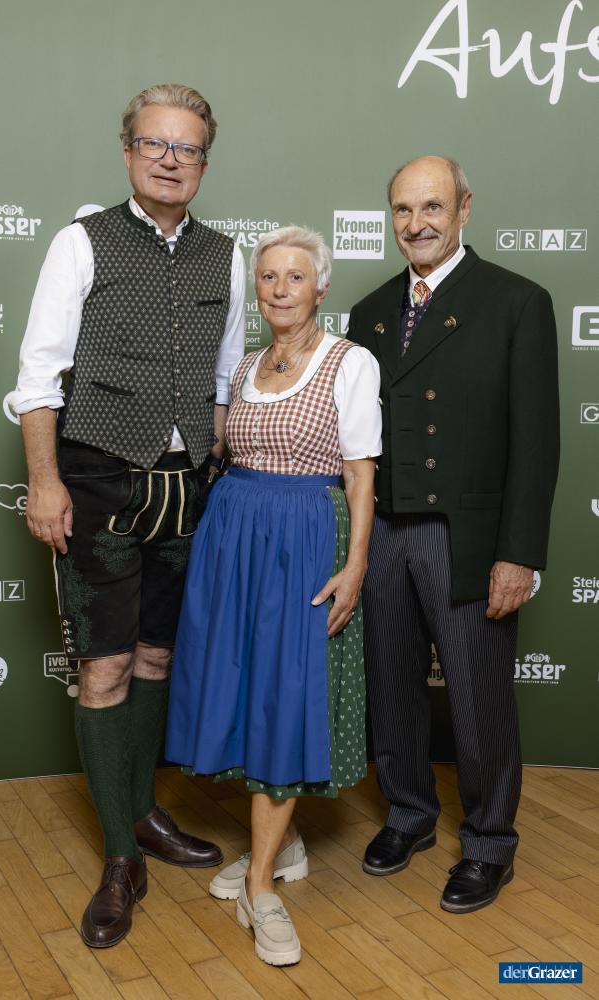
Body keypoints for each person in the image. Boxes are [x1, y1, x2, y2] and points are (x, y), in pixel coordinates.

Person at [7, 83, 246, 948]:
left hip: (186, 485)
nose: (171, 161)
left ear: (203, 163)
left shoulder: (228, 255)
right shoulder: (81, 242)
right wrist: (45, 482)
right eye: (156, 144)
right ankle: (118, 859)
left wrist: (220, 467)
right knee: (103, 669)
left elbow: (222, 380)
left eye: (187, 149)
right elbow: (40, 375)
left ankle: (141, 814)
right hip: (98, 480)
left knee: (154, 658)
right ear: (129, 152)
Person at [166, 226, 381, 964]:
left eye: (295, 276)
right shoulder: (246, 366)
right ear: (255, 289)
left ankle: (260, 885)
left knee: (286, 695)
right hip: (235, 536)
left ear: (320, 287)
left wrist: (355, 565)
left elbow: (360, 472)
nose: (280, 289)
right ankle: (282, 847)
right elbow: (222, 451)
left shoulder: (349, 362)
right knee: (245, 688)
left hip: (304, 536)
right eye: (267, 277)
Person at [349, 156, 559, 913]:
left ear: (464, 208)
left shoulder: (516, 301)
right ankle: (408, 813)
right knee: (389, 684)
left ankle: (489, 844)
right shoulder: (370, 311)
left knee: (477, 696)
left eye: (432, 207)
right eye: (403, 210)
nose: (417, 224)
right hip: (384, 530)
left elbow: (536, 443)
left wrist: (518, 554)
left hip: (464, 534)